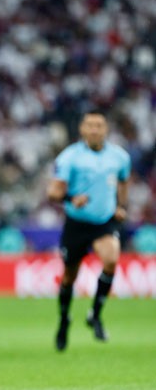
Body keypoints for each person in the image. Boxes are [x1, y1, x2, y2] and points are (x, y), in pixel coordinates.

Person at [47, 111, 131, 351]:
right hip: (76, 224)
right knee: (69, 277)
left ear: (106, 129)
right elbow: (52, 192)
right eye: (90, 125)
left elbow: (124, 182)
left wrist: (120, 206)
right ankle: (64, 320)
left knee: (111, 260)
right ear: (83, 130)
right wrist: (72, 197)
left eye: (99, 125)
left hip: (104, 222)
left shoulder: (120, 157)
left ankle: (95, 314)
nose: (95, 129)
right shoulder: (70, 157)